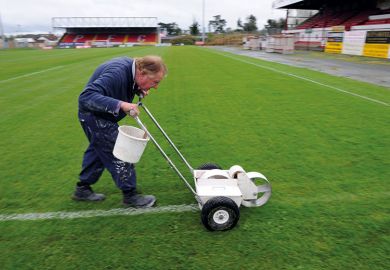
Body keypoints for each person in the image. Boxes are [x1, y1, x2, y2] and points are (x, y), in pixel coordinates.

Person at [73, 55, 167, 208]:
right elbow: (86, 97)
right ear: (142, 73)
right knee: (120, 150)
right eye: (155, 82)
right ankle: (130, 196)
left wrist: (138, 88)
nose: (156, 87)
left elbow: (126, 84)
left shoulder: (132, 70)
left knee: (99, 149)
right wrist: (121, 104)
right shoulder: (117, 73)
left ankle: (82, 188)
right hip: (94, 116)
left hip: (102, 116)